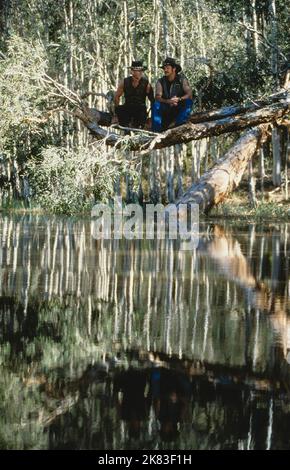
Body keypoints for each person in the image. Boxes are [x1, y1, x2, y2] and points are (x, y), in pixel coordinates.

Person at [152, 57, 193, 132]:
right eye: (164, 68)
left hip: (179, 107)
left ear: (174, 69)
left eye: (167, 68)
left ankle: (180, 125)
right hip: (167, 109)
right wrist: (168, 101)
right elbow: (157, 97)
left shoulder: (182, 79)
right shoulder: (160, 81)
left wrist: (179, 99)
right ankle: (156, 131)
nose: (165, 70)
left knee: (188, 101)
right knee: (156, 105)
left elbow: (189, 94)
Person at [113, 60, 154, 129]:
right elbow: (117, 97)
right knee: (121, 112)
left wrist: (152, 115)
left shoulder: (146, 84)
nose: (140, 73)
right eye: (138, 71)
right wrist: (116, 112)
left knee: (141, 119)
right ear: (132, 72)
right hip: (128, 107)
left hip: (140, 109)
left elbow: (152, 100)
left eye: (141, 71)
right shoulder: (125, 82)